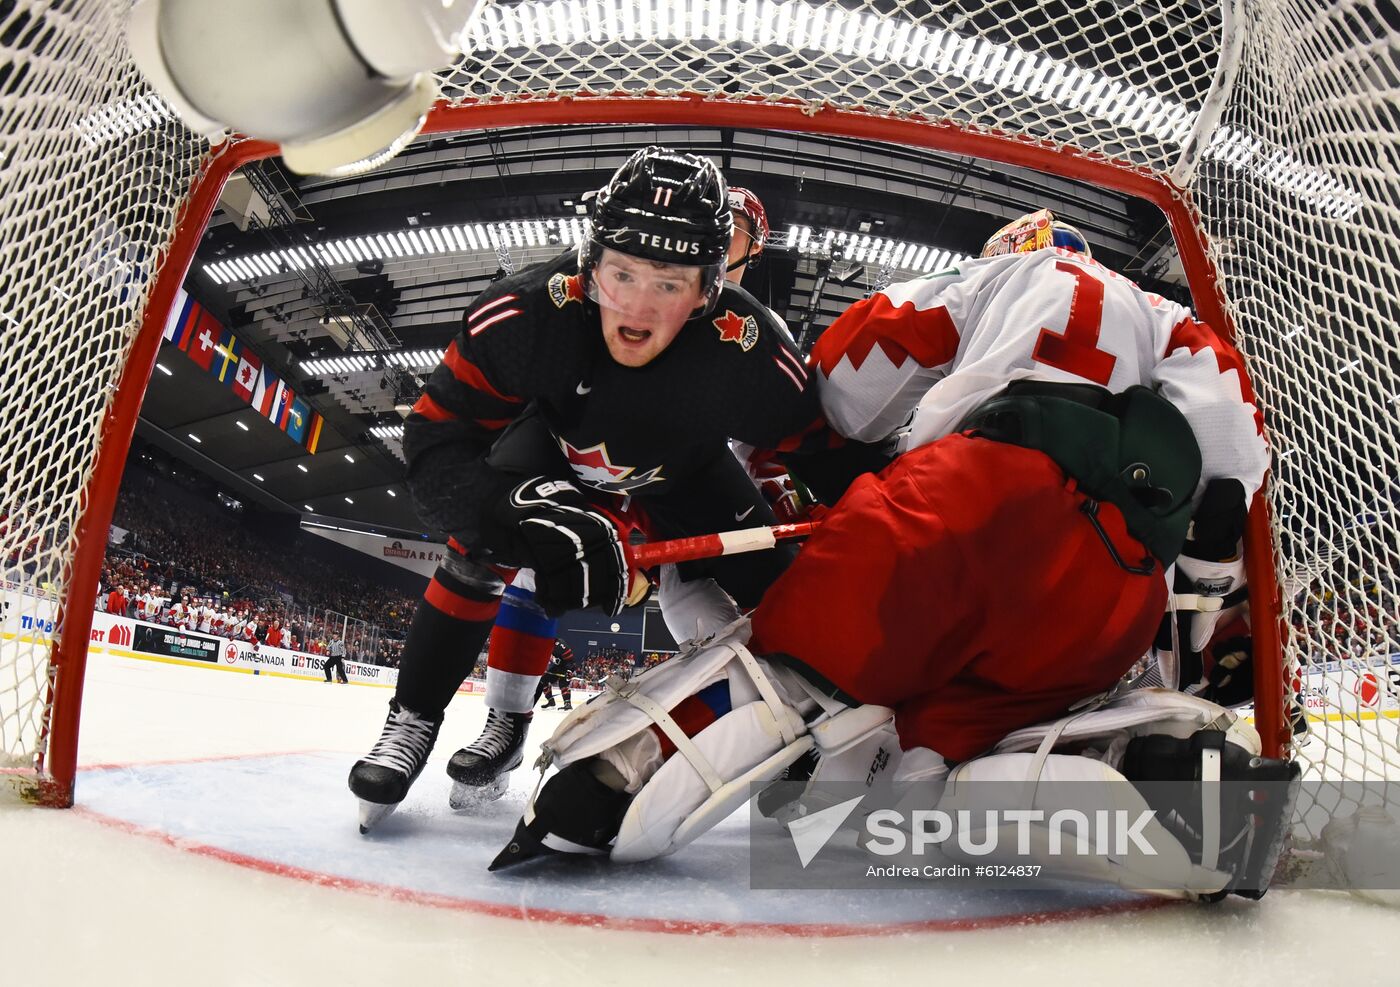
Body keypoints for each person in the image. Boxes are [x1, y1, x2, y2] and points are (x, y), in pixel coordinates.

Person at [491, 207, 1275, 880]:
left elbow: (844, 382)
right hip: (1111, 584)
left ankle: (597, 795)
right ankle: (1151, 778)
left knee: (792, 670)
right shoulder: (1180, 324)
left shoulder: (994, 280)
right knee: (932, 767)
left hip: (965, 501)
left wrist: (850, 461)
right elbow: (1233, 475)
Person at [347, 147, 819, 831]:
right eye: (622, 273)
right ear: (590, 261)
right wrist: (502, 511)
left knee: (792, 598)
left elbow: (823, 443)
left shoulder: (751, 349)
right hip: (559, 456)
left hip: (685, 476)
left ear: (710, 287)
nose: (634, 305)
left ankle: (816, 738)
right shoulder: (526, 315)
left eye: (668, 282)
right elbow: (433, 448)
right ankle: (419, 717)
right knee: (477, 544)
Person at [535, 639, 576, 710]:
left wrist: (569, 670)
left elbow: (570, 660)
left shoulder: (560, 646)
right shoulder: (547, 645)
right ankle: (551, 702)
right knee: (544, 680)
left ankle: (567, 704)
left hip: (567, 666)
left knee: (563, 684)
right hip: (558, 667)